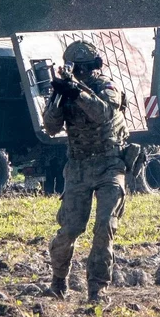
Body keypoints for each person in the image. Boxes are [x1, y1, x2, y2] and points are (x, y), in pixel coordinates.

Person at [43, 40, 129, 303]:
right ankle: (59, 281)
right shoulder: (65, 91)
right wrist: (59, 96)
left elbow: (103, 113)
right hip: (79, 167)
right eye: (76, 70)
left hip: (109, 165)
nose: (81, 74)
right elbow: (50, 127)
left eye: (84, 68)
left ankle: (97, 289)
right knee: (70, 229)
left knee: (105, 227)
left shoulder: (106, 87)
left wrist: (77, 92)